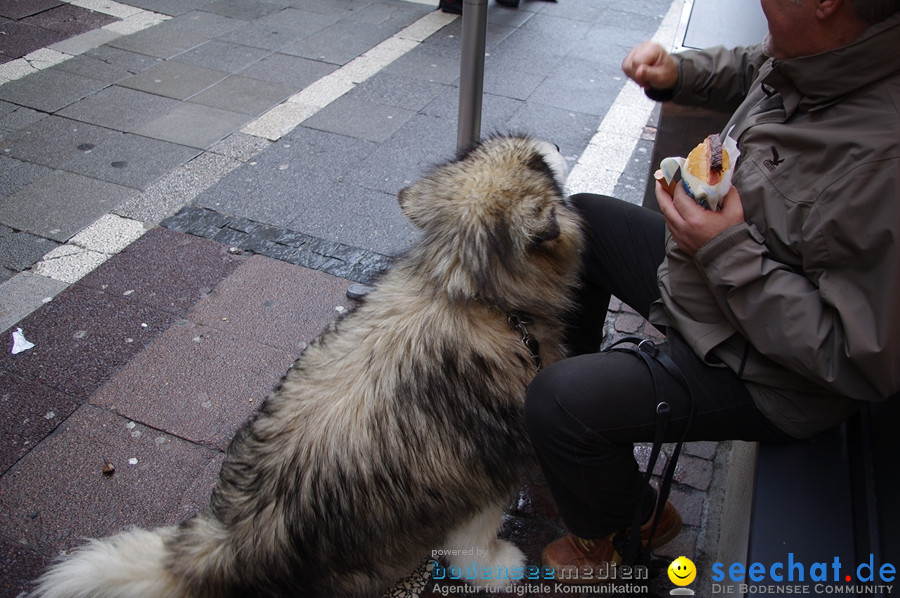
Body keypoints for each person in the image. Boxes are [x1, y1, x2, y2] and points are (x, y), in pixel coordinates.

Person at [524, 0, 900, 579]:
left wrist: (725, 250)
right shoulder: (828, 52)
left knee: (557, 400)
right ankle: (591, 451)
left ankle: (627, 524)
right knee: (580, 228)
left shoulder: (883, 160)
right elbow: (758, 63)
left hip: (771, 374)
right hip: (715, 286)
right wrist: (679, 73)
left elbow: (854, 358)